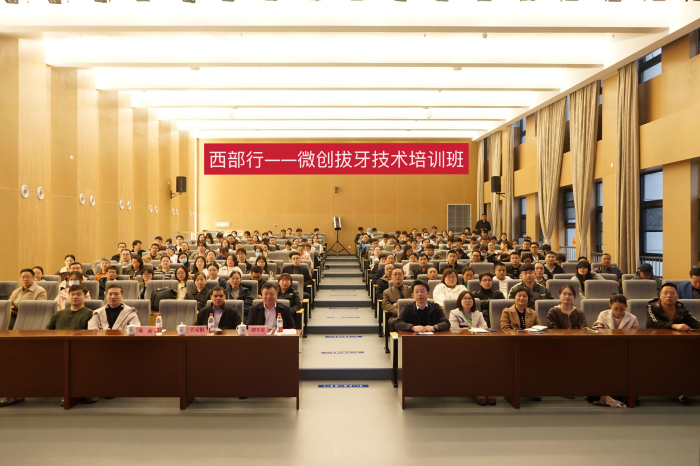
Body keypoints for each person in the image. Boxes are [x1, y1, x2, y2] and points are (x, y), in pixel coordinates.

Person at [382, 267, 412, 332]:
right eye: (395, 274)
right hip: (397, 315)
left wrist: (398, 304)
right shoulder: (387, 292)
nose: (397, 276)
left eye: (400, 274)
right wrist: (399, 312)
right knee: (393, 322)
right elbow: (385, 304)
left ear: (403, 276)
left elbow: (414, 300)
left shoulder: (410, 289)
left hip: (411, 313)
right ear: (391, 276)